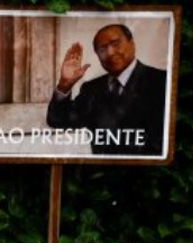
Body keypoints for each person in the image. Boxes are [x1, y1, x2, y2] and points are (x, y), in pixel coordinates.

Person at [46, 24, 168, 156]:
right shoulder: (92, 89)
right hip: (100, 173)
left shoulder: (162, 81)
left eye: (115, 43)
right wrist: (64, 84)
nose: (110, 53)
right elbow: (58, 121)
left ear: (132, 43)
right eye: (102, 48)